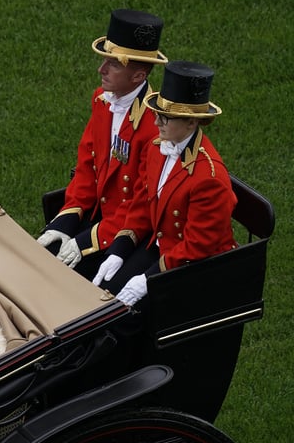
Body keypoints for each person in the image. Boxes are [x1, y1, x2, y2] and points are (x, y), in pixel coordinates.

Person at [92, 61, 237, 306]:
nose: (156, 123)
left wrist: (147, 279)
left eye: (165, 118)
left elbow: (196, 247)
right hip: (160, 245)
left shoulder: (209, 179)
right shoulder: (157, 147)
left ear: (191, 123)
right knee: (103, 294)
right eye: (157, 114)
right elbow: (142, 204)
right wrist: (121, 247)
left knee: (123, 315)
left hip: (192, 267)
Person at [38, 9, 167, 280]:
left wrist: (87, 241)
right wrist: (66, 220)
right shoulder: (102, 100)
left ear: (138, 77)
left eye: (113, 64)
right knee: (38, 260)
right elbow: (87, 166)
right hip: (98, 216)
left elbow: (141, 204)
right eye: (104, 60)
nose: (101, 70)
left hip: (125, 234)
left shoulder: (154, 129)